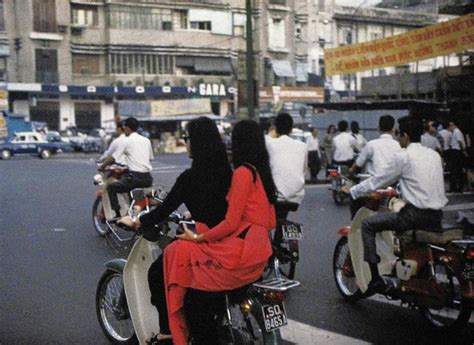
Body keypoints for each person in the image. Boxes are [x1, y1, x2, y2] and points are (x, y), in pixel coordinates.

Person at [160, 120, 277, 345]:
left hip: (240, 253)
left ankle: (180, 331)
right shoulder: (260, 172)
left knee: (179, 251)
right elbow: (269, 219)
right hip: (260, 250)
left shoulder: (243, 172)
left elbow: (231, 222)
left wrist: (198, 237)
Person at [121, 117, 232, 345]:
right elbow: (223, 207)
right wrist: (197, 213)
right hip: (231, 244)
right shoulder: (229, 172)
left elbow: (162, 211)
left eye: (187, 138)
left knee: (155, 273)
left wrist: (136, 222)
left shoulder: (190, 178)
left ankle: (167, 331)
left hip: (203, 244)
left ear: (197, 142)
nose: (185, 142)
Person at [349, 116, 448, 294]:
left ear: (405, 135)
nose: (398, 138)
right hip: (436, 216)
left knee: (368, 225)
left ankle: (375, 280)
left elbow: (378, 180)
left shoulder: (404, 157)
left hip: (413, 216)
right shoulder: (434, 155)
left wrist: (353, 191)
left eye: (399, 134)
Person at [347, 115, 401, 219]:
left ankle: (356, 225)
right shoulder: (398, 145)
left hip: (375, 185)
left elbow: (358, 164)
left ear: (378, 128)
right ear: (393, 129)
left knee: (354, 194)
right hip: (394, 187)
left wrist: (351, 172)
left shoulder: (371, 144)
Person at [100, 117, 154, 219]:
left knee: (111, 187)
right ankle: (134, 210)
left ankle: (117, 215)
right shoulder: (146, 140)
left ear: (127, 128)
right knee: (132, 189)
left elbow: (112, 157)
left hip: (134, 178)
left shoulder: (126, 141)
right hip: (148, 179)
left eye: (124, 127)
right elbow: (150, 158)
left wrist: (102, 166)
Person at [266, 112, 307, 219]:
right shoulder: (302, 146)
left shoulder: (270, 144)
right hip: (296, 196)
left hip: (276, 196)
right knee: (282, 218)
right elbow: (304, 171)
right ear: (291, 128)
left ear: (275, 128)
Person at [447, 121, 467, 193]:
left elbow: (460, 142)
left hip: (456, 151)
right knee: (456, 170)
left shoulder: (456, 131)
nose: (450, 127)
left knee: (455, 169)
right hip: (456, 151)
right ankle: (457, 187)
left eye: (451, 125)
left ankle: (456, 187)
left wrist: (463, 150)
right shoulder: (455, 132)